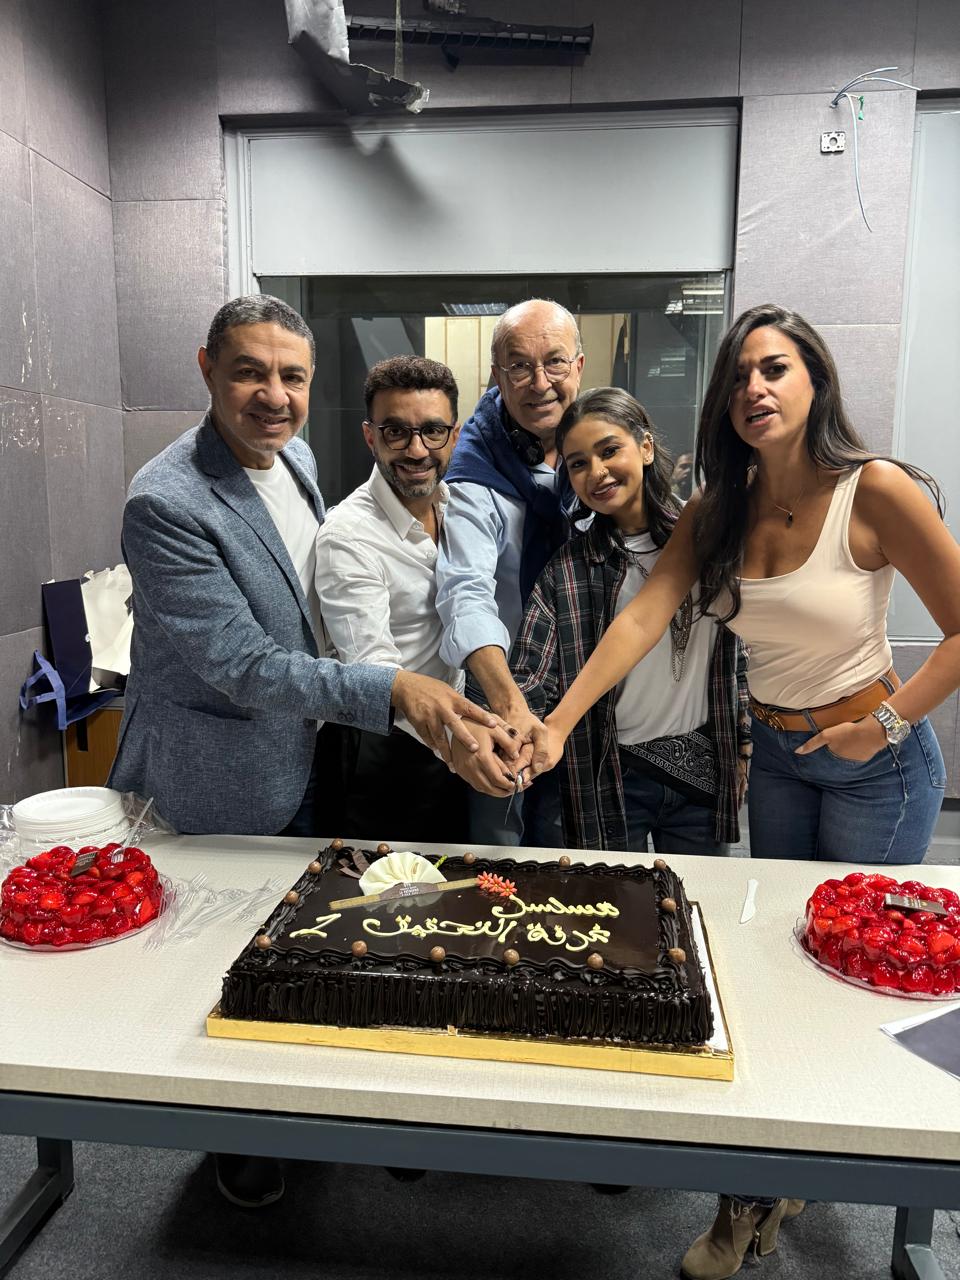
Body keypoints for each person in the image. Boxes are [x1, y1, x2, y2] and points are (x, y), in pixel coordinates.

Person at [528, 303, 960, 1279]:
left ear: (815, 380)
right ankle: (760, 1184)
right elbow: (642, 616)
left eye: (774, 368)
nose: (754, 388)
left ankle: (844, 1175)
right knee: (782, 967)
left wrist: (888, 722)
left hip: (877, 764)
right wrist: (557, 722)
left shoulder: (874, 488)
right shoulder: (719, 508)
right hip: (779, 761)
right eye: (738, 377)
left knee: (860, 978)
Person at [109, 295, 507, 1208]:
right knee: (212, 961)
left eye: (291, 376)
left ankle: (291, 1113)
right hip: (223, 767)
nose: (274, 395)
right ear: (207, 369)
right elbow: (242, 663)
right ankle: (234, 1144)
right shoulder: (166, 501)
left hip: (310, 753)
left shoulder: (295, 459)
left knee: (297, 946)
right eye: (250, 372)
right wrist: (394, 689)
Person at [510, 388, 750, 855]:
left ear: (646, 446)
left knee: (697, 891)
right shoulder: (569, 570)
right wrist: (518, 731)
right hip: (612, 772)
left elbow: (736, 651)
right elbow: (531, 674)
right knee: (616, 896)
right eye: (578, 464)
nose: (597, 472)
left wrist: (741, 746)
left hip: (700, 763)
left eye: (609, 450)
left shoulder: (707, 539)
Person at [436, 298, 584, 844]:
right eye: (519, 366)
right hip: (501, 688)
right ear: (497, 375)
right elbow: (465, 591)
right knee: (497, 850)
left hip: (583, 687)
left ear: (579, 367)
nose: (540, 383)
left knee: (572, 848)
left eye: (555, 362)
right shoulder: (475, 471)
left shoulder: (596, 449)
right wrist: (510, 706)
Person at [315, 355, 470, 842]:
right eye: (396, 432)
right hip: (381, 749)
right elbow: (372, 669)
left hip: (448, 736)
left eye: (433, 431)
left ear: (455, 435)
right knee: (380, 885)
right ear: (370, 436)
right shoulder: (348, 534)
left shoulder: (459, 507)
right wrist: (465, 743)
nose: (417, 449)